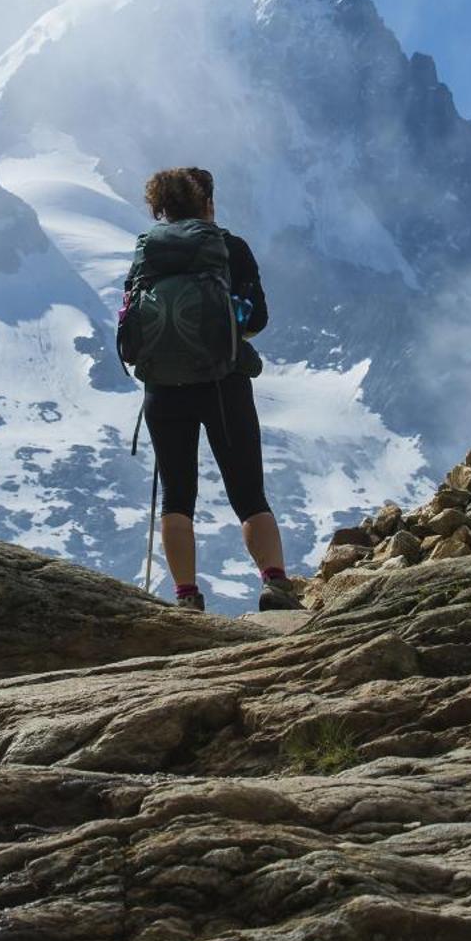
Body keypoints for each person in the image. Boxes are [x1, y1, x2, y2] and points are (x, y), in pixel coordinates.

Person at [124, 167, 300, 613]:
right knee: (247, 491)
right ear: (208, 203)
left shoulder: (147, 254)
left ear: (159, 207)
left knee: (177, 495)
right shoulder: (230, 248)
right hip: (224, 383)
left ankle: (186, 597)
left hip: (162, 388)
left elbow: (131, 322)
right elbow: (255, 318)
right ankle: (275, 585)